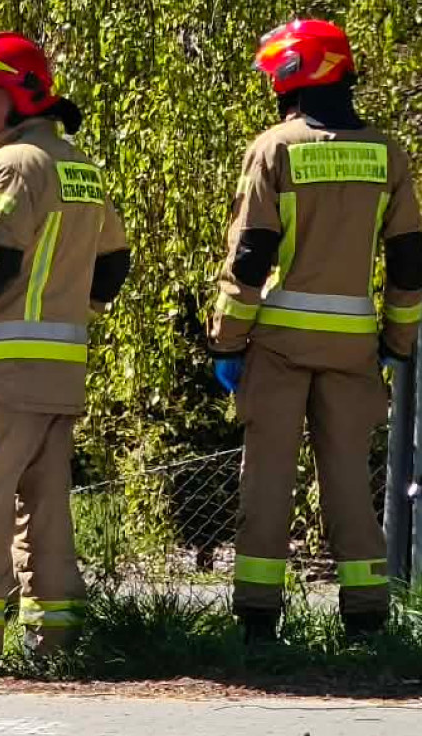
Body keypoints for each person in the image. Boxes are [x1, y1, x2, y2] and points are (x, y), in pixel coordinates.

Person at [207, 19, 422, 643]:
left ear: (290, 74)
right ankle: (367, 620)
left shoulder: (275, 148)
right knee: (351, 482)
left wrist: (226, 341)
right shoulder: (388, 153)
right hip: (354, 344)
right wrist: (396, 341)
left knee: (268, 479)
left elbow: (251, 256)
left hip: (277, 343)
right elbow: (409, 262)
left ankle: (256, 622)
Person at [0, 31, 130, 672]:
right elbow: (113, 264)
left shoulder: (12, 164)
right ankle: (56, 640)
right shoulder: (76, 164)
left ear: (23, 97)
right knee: (45, 513)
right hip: (56, 380)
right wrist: (69, 311)